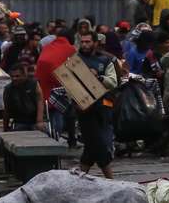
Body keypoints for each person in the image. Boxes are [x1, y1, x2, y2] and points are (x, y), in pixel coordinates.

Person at [75, 32, 118, 179]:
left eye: (88, 42)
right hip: (84, 110)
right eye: (82, 42)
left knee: (92, 146)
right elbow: (68, 84)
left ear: (95, 43)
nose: (85, 45)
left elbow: (113, 82)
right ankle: (112, 182)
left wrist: (99, 77)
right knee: (98, 144)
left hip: (103, 108)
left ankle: (78, 180)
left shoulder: (105, 60)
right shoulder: (75, 61)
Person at [34, 30, 77, 146]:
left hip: (42, 82)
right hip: (58, 82)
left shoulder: (48, 47)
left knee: (51, 108)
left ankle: (54, 138)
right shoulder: (71, 49)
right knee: (65, 109)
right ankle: (62, 140)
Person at [3, 64, 45, 132]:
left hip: (35, 120)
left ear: (24, 75)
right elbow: (6, 109)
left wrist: (39, 121)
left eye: (17, 76)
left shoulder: (33, 84)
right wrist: (5, 127)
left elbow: (40, 101)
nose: (14, 78)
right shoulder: (8, 89)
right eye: (12, 76)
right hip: (19, 121)